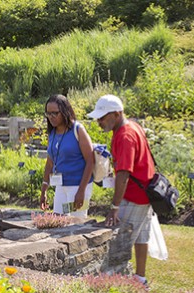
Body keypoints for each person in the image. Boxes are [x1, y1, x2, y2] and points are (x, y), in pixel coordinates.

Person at [87, 94, 155, 288]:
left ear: (117, 114)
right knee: (141, 236)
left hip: (134, 196)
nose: (99, 121)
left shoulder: (125, 135)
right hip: (144, 193)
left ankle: (114, 284)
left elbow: (124, 174)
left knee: (121, 242)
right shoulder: (132, 126)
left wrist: (114, 207)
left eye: (102, 117)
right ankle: (140, 279)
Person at [40, 94, 94, 218]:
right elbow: (50, 163)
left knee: (76, 223)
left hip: (78, 186)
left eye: (55, 113)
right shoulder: (52, 132)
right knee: (58, 219)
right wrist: (44, 189)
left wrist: (81, 191)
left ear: (65, 111)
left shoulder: (78, 129)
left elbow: (90, 161)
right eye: (48, 113)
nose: (51, 117)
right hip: (61, 186)